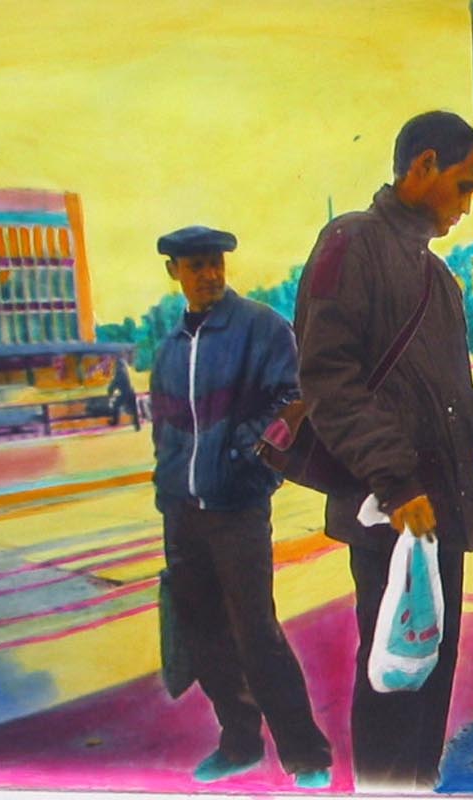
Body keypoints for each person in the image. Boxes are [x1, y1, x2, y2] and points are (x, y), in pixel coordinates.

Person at [293, 110, 473, 790]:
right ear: (422, 165)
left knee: (428, 677)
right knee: (394, 679)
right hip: (392, 514)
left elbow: (459, 406)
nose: (467, 203)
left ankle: (417, 782)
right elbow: (329, 380)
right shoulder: (351, 243)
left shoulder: (440, 280)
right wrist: (397, 484)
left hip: (439, 516)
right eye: (464, 185)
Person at [147, 225, 333, 789]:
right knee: (205, 634)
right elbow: (164, 428)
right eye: (196, 266)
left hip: (238, 508)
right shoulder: (170, 347)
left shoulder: (260, 328)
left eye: (215, 263)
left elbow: (294, 400)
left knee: (256, 634)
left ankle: (307, 755)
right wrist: (167, 487)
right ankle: (239, 743)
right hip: (183, 513)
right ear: (174, 272)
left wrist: (245, 456)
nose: (209, 274)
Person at [108, 357, 140, 431]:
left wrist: (110, 391)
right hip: (131, 391)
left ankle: (115, 422)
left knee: (116, 405)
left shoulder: (119, 372)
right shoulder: (126, 372)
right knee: (134, 410)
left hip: (124, 393)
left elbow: (114, 383)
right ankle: (137, 425)